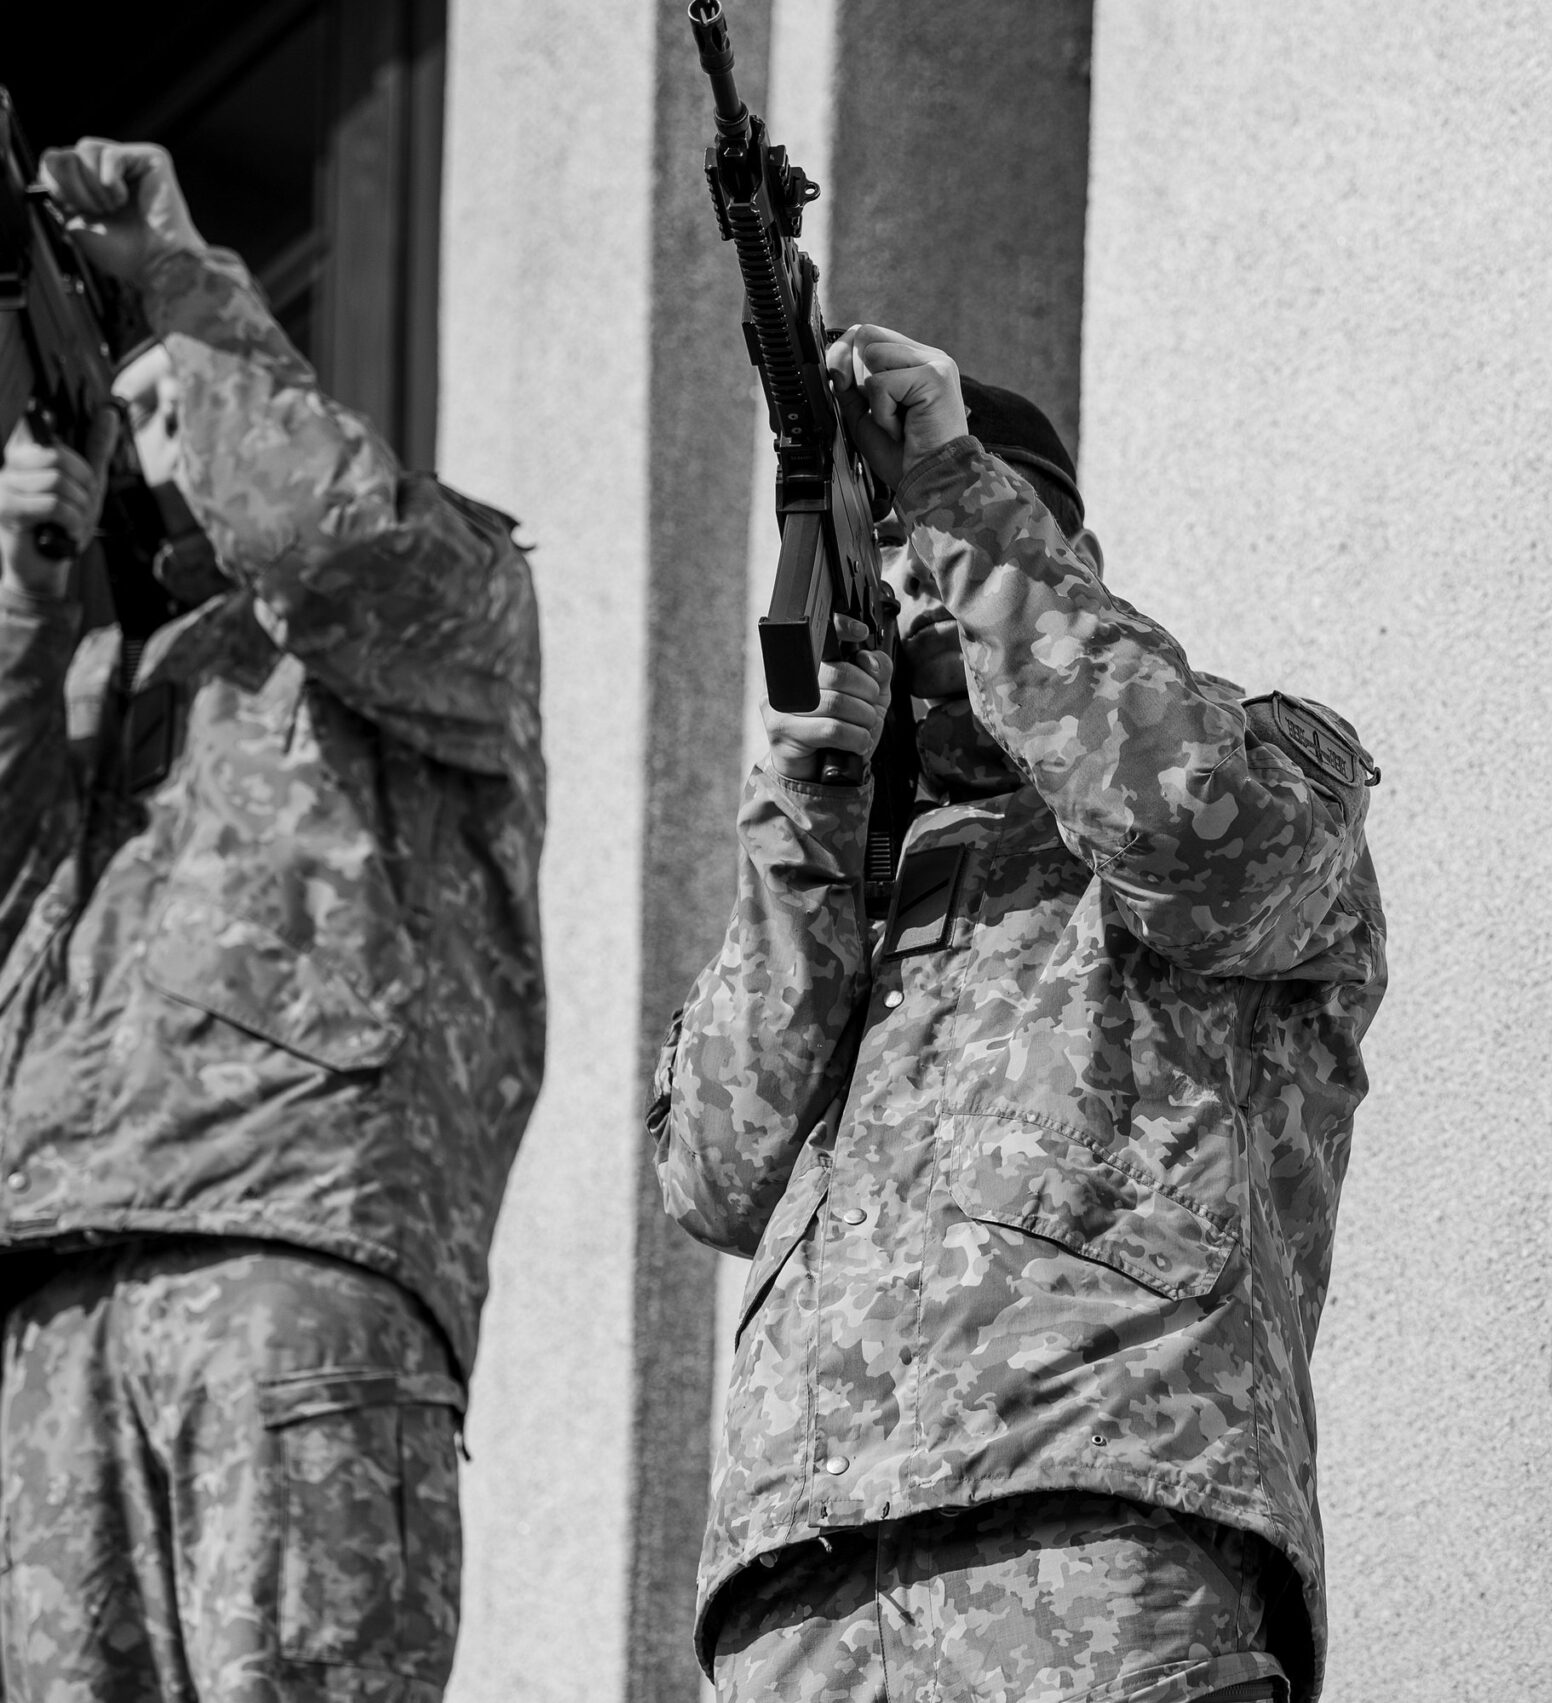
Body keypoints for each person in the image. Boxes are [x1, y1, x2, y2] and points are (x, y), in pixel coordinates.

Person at [650, 324, 1386, 1703]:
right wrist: (811, 802)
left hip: (1096, 1517)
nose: (914, 576)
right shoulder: (854, 870)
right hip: (806, 1593)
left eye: (945, 538)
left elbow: (1190, 837)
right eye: (886, 546)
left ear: (1051, 550)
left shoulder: (1255, 761)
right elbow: (714, 1171)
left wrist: (948, 483)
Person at [0, 139, 545, 1701]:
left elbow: (320, 532)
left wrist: (182, 282)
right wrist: (27, 584)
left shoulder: (446, 593)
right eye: (136, 410)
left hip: (291, 1246)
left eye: (184, 402)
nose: (157, 434)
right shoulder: (107, 675)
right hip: (61, 1279)